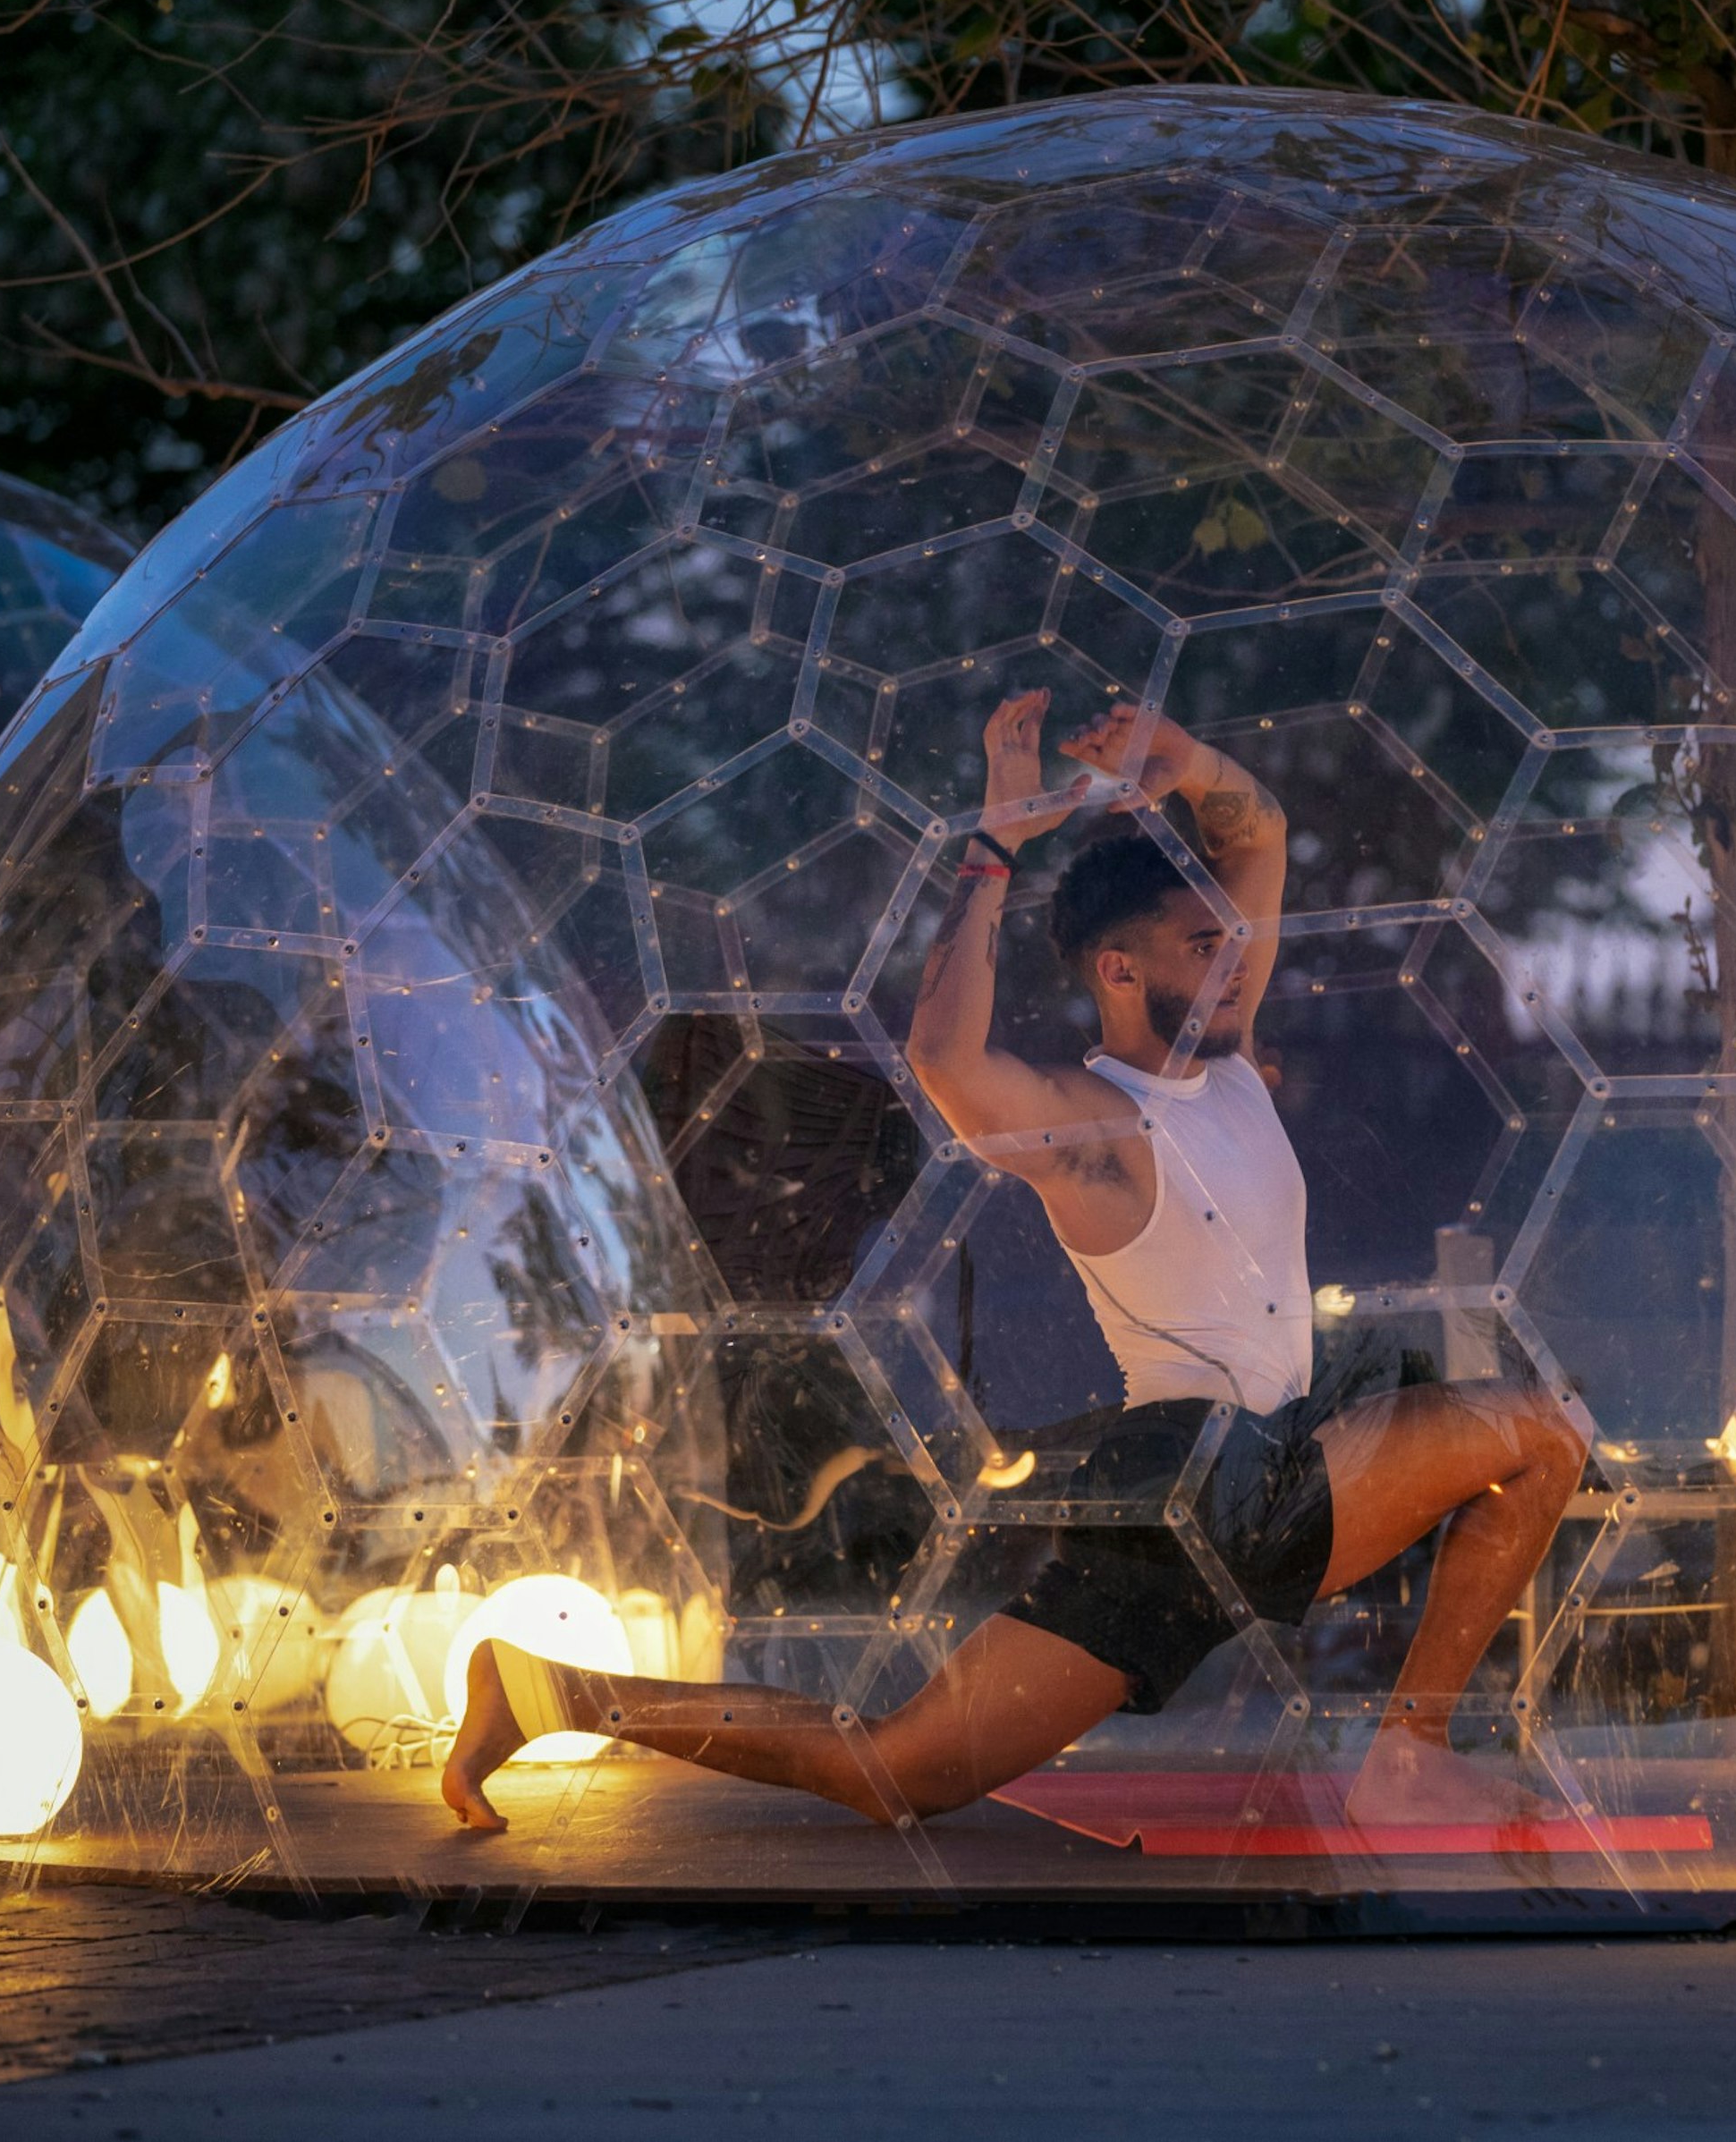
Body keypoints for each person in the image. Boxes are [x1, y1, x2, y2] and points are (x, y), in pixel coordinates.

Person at [445, 692, 1591, 1833]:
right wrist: (994, 839)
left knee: (895, 1771)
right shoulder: (1099, 1128)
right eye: (1205, 944)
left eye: (1233, 937)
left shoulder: (1228, 1069)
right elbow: (947, 1056)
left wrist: (1180, 758)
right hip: (1209, 1474)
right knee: (889, 1771)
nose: (1238, 956)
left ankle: (538, 1688)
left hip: (1259, 1478)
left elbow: (1255, 835)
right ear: (1118, 972)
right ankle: (1412, 1753)